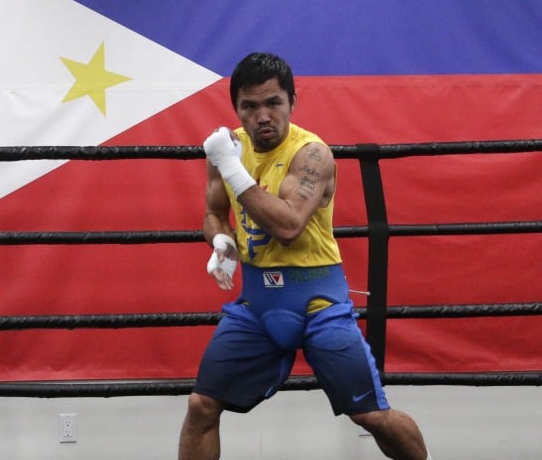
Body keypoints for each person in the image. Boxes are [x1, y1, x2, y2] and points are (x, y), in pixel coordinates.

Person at [178, 52, 432, 460]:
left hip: (319, 303)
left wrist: (230, 165)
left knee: (370, 414)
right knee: (200, 406)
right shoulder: (227, 151)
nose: (262, 115)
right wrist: (221, 242)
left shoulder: (312, 154)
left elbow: (289, 224)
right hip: (258, 303)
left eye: (273, 103)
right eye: (250, 106)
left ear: (292, 101)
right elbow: (213, 213)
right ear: (236, 109)